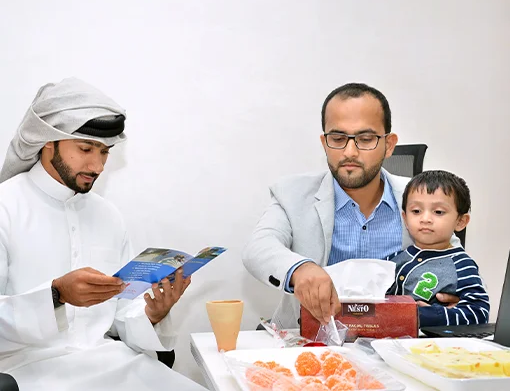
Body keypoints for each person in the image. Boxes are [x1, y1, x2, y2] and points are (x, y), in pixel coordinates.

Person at [0, 78, 206, 391]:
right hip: (28, 372)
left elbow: (120, 315)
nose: (97, 166)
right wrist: (56, 295)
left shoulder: (108, 215)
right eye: (85, 149)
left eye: (105, 152)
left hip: (113, 362)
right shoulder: (5, 207)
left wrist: (153, 313)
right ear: (48, 141)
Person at [242, 82, 460, 329]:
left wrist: (455, 292)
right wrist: (300, 269)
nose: (350, 152)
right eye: (338, 138)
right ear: (325, 143)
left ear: (389, 145)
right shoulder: (291, 194)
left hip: (398, 340)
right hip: (310, 339)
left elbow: (454, 259)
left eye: (365, 139)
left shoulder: (419, 198)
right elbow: (258, 247)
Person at [387, 170, 489, 327]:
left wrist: (433, 316)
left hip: (430, 340)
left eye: (438, 212)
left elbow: (479, 312)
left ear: (460, 221)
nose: (425, 219)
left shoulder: (461, 265)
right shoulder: (393, 259)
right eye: (416, 211)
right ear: (405, 219)